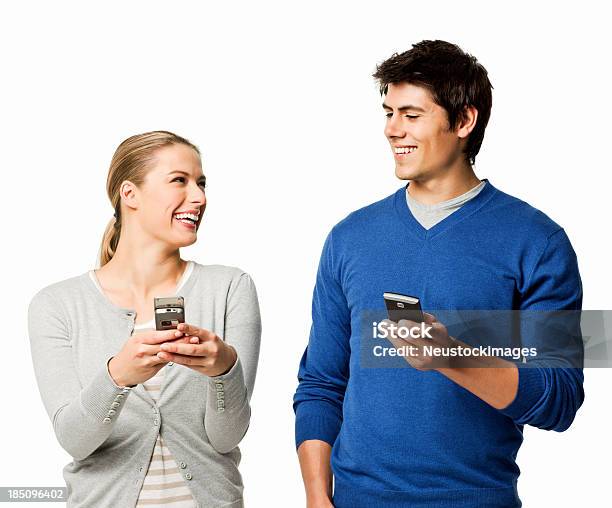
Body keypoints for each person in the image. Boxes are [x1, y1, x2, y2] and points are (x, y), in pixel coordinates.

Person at [293, 40, 584, 508]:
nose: (391, 129)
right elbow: (322, 383)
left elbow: (560, 399)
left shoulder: (536, 242)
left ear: (464, 121)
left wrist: (452, 356)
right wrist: (316, 497)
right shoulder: (350, 238)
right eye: (388, 112)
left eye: (411, 115)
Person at [28, 131, 261, 508]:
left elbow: (226, 437)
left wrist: (224, 369)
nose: (199, 197)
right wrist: (117, 377)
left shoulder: (230, 287)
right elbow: (75, 440)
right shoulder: (57, 304)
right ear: (129, 194)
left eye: (201, 183)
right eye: (179, 181)